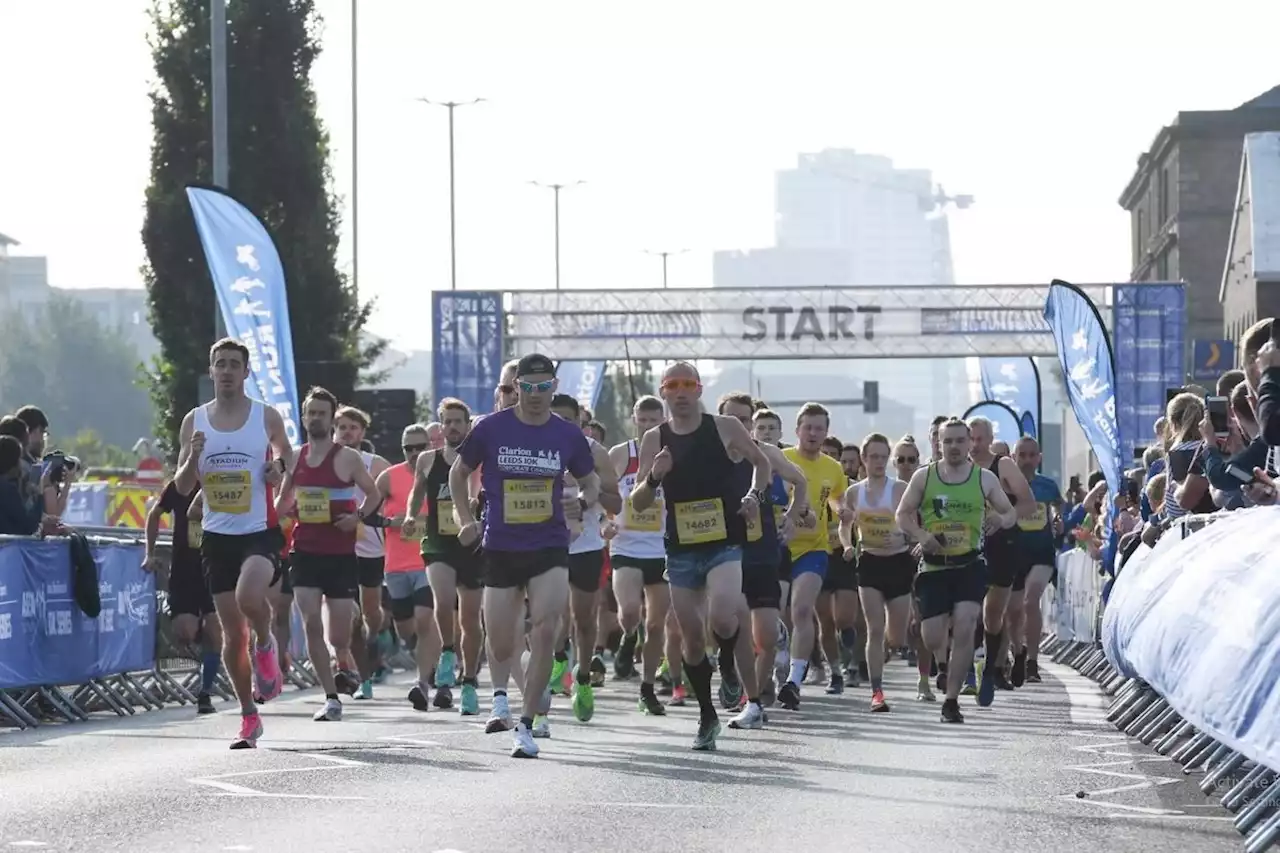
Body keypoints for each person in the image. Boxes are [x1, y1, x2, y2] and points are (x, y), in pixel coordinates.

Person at [448, 354, 600, 758]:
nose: (535, 396)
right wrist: (465, 518)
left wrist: (582, 503)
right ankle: (521, 680)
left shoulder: (567, 435)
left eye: (543, 387)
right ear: (515, 388)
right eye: (526, 388)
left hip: (549, 545)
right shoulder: (491, 428)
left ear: (554, 385)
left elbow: (590, 480)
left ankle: (527, 724)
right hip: (500, 546)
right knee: (500, 644)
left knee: (548, 628)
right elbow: (458, 473)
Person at [630, 362, 769, 750]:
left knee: (724, 614)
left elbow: (760, 464)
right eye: (672, 385)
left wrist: (753, 496)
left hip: (725, 540)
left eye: (687, 384)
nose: (680, 392)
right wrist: (655, 477)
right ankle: (707, 715)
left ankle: (727, 661)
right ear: (663, 392)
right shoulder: (654, 439)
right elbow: (638, 503)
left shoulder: (724, 427)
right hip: (681, 549)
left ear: (699, 389)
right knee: (691, 639)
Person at [173, 337, 293, 749]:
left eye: (233, 364)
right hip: (217, 536)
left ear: (246, 372)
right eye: (219, 364)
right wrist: (192, 457)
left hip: (259, 531)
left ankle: (266, 642)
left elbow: (287, 460)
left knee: (249, 596)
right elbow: (183, 484)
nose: (226, 370)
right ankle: (248, 715)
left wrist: (277, 472)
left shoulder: (265, 417)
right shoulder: (195, 421)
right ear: (211, 372)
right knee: (229, 636)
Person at [895, 418, 1017, 724]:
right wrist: (922, 537)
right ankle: (946, 664)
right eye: (946, 441)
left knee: (965, 625)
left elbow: (1010, 512)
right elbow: (902, 514)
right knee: (933, 636)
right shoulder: (924, 477)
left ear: (969, 443)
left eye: (959, 441)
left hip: (969, 564)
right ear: (938, 444)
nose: (953, 447)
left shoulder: (984, 479)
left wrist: (1000, 521)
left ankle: (951, 702)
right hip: (934, 567)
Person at [274, 387, 383, 723]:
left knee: (338, 635)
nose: (316, 418)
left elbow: (375, 493)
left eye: (322, 413)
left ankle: (347, 657)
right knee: (310, 624)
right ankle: (331, 697)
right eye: (311, 413)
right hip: (305, 551)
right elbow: (282, 502)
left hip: (339, 554)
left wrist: (358, 517)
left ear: (331, 417)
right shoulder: (294, 457)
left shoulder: (347, 458)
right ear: (304, 417)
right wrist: (286, 507)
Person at [406, 401, 486, 716]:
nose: (452, 427)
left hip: (472, 544)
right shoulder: (428, 459)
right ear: (440, 426)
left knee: (470, 618)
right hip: (439, 542)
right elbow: (416, 492)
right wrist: (412, 515)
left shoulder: (480, 459)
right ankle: (448, 654)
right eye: (447, 422)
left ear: (468, 425)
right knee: (441, 597)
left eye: (458, 422)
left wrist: (473, 501)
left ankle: (468, 682)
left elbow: (480, 484)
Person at [777, 403, 849, 712]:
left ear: (826, 432)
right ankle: (775, 666)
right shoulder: (782, 459)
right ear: (798, 431)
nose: (814, 433)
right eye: (808, 427)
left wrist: (843, 511)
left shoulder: (832, 468)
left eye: (819, 428)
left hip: (814, 548)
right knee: (776, 614)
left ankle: (794, 680)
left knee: (802, 610)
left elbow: (837, 499)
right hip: (779, 546)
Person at [840, 432, 916, 711]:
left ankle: (885, 647)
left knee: (895, 637)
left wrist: (905, 538)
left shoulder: (899, 490)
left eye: (884, 457)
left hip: (898, 564)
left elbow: (911, 523)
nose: (879, 462)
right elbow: (844, 525)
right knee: (873, 628)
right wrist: (848, 545)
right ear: (864, 459)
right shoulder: (854, 492)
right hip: (870, 563)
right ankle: (876, 692)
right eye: (873, 457)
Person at [608, 395, 671, 715]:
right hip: (626, 545)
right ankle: (628, 636)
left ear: (663, 420)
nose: (648, 426)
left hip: (662, 548)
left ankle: (647, 688)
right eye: (642, 420)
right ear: (634, 420)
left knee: (657, 624)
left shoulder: (673, 453)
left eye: (654, 421)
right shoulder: (621, 454)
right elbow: (603, 491)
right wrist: (606, 522)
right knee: (630, 610)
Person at [380, 423, 448, 713]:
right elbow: (367, 513)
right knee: (407, 629)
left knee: (425, 619)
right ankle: (427, 659)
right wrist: (388, 522)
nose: (414, 453)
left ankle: (422, 682)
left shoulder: (442, 474)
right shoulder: (389, 477)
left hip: (429, 560)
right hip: (395, 566)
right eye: (409, 448)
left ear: (431, 446)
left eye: (421, 447)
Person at [145, 481, 221, 715]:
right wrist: (149, 553)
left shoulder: (223, 477)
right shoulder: (179, 485)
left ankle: (205, 691)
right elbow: (154, 514)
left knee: (215, 631)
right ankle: (201, 634)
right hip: (183, 570)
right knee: (185, 632)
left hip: (214, 566)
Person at [334, 405, 392, 700]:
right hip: (338, 548)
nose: (347, 432)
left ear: (362, 432)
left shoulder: (376, 463)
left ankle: (376, 649)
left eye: (353, 427)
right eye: (342, 427)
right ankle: (354, 672)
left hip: (371, 547)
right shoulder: (326, 460)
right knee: (348, 613)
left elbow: (395, 498)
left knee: (370, 613)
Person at [1007, 436, 1063, 685]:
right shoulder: (1004, 486)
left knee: (1031, 601)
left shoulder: (1048, 486)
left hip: (1041, 553)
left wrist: (1060, 521)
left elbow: (1060, 512)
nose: (1027, 460)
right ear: (1013, 458)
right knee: (1014, 610)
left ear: (1039, 457)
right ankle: (1016, 651)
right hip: (1014, 552)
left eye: (1032, 455)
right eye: (1023, 455)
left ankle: (1032, 660)